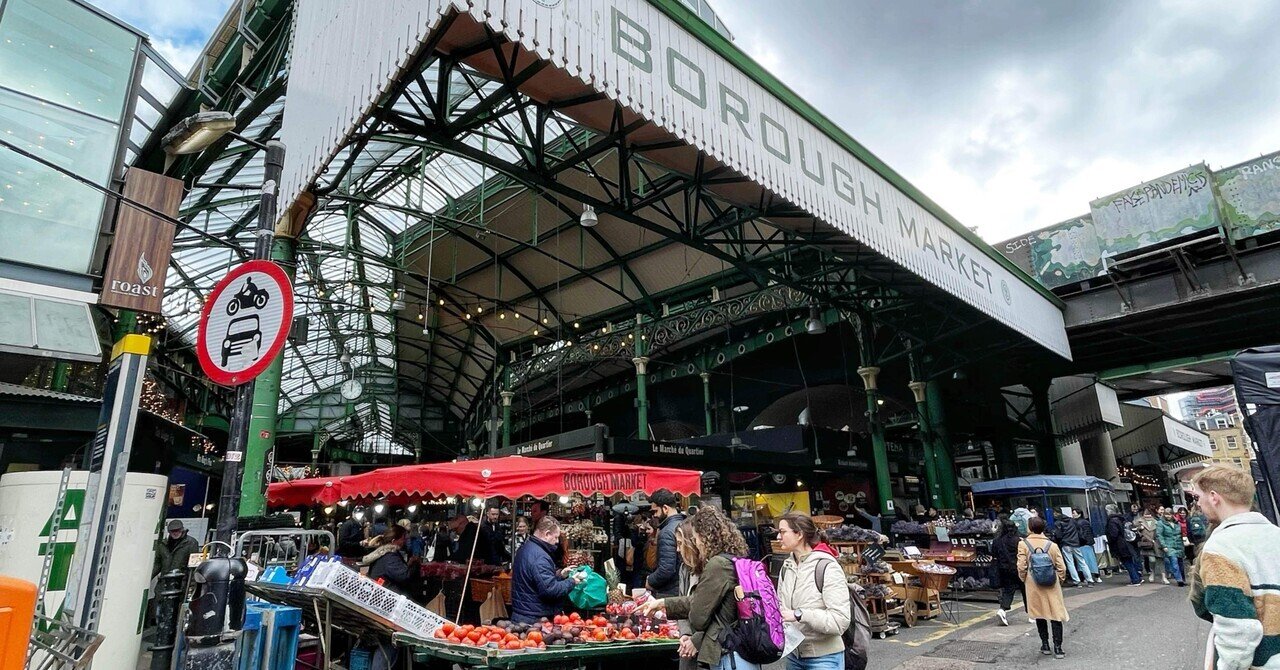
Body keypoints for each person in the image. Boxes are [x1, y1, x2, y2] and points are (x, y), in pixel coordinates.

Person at [1188, 464, 1280, 670]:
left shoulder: (1221, 547)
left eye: (1198, 497)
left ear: (1214, 497)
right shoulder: (1276, 535)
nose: (1199, 504)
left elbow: (1237, 627)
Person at [639, 507, 750, 670]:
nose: (697, 543)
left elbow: (698, 617)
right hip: (737, 648)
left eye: (696, 538)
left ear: (705, 537)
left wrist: (694, 636)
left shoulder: (716, 565)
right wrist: (663, 603)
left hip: (724, 652)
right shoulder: (733, 559)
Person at [776, 513, 850, 670]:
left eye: (783, 532)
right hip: (793, 655)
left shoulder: (826, 566)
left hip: (825, 658)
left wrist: (800, 614)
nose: (778, 536)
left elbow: (840, 620)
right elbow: (781, 608)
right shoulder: (786, 567)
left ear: (799, 534)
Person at [509, 516, 585, 624]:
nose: (557, 542)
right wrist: (572, 581)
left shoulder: (525, 548)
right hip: (534, 620)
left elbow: (536, 579)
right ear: (547, 534)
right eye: (556, 537)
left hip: (523, 614)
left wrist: (560, 575)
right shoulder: (540, 557)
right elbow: (549, 590)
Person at [1018, 516, 1068, 659]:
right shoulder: (1052, 545)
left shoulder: (1023, 544)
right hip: (1052, 582)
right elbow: (1061, 567)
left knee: (1040, 613)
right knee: (1056, 614)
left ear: (1030, 528)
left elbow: (1021, 566)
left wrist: (1025, 579)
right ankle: (1058, 648)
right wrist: (1059, 579)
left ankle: (1045, 645)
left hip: (1033, 583)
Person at [645, 489, 687, 597]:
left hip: (670, 592)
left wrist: (650, 581)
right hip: (683, 588)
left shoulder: (667, 532)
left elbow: (666, 569)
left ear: (665, 508)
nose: (654, 515)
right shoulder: (686, 525)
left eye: (655, 511)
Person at [992, 520, 1026, 625]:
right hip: (1018, 568)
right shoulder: (1019, 540)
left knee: (1008, 590)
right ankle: (1032, 615)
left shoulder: (997, 541)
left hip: (1003, 569)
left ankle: (1002, 610)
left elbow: (993, 553)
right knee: (1026, 590)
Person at [369, 525, 418, 595]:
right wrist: (414, 564)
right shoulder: (389, 556)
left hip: (384, 591)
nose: (405, 541)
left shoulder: (385, 552)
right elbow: (403, 576)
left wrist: (409, 564)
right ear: (394, 541)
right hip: (387, 595)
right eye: (403, 538)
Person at [1104, 504, 1143, 585]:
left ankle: (1135, 579)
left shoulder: (1112, 521)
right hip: (1127, 543)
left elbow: (1114, 534)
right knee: (1130, 561)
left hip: (1119, 545)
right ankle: (1137, 577)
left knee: (1127, 562)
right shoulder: (1121, 518)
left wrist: (1110, 540)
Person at [1051, 510, 1091, 587]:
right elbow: (1078, 530)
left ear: (1056, 514)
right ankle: (1089, 580)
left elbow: (1058, 536)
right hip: (1075, 543)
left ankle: (1077, 581)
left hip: (1066, 544)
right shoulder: (1072, 520)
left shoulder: (1058, 523)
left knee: (1070, 563)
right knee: (1082, 562)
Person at [1156, 508, 1187, 587]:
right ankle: (1179, 580)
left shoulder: (1177, 522)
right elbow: (1160, 535)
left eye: (1169, 514)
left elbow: (1181, 534)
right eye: (1166, 514)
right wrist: (1164, 546)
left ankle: (1183, 579)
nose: (1168, 516)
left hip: (1179, 545)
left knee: (1181, 563)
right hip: (1169, 545)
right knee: (1174, 562)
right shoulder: (1161, 523)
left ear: (1172, 514)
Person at [1071, 509, 1102, 583]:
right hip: (1088, 543)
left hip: (1082, 544)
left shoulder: (1077, 523)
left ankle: (1086, 577)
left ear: (1079, 514)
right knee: (1091, 560)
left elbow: (1082, 534)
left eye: (1074, 513)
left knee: (1083, 561)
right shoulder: (1085, 522)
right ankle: (1096, 576)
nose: (1072, 515)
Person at [1137, 508, 1167, 583]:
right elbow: (1134, 531)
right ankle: (1152, 572)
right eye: (1145, 514)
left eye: (1149, 514)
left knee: (1160, 560)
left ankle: (1164, 577)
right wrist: (1139, 529)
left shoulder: (1157, 522)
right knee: (1152, 560)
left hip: (1157, 543)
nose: (1147, 516)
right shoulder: (1139, 522)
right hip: (1148, 544)